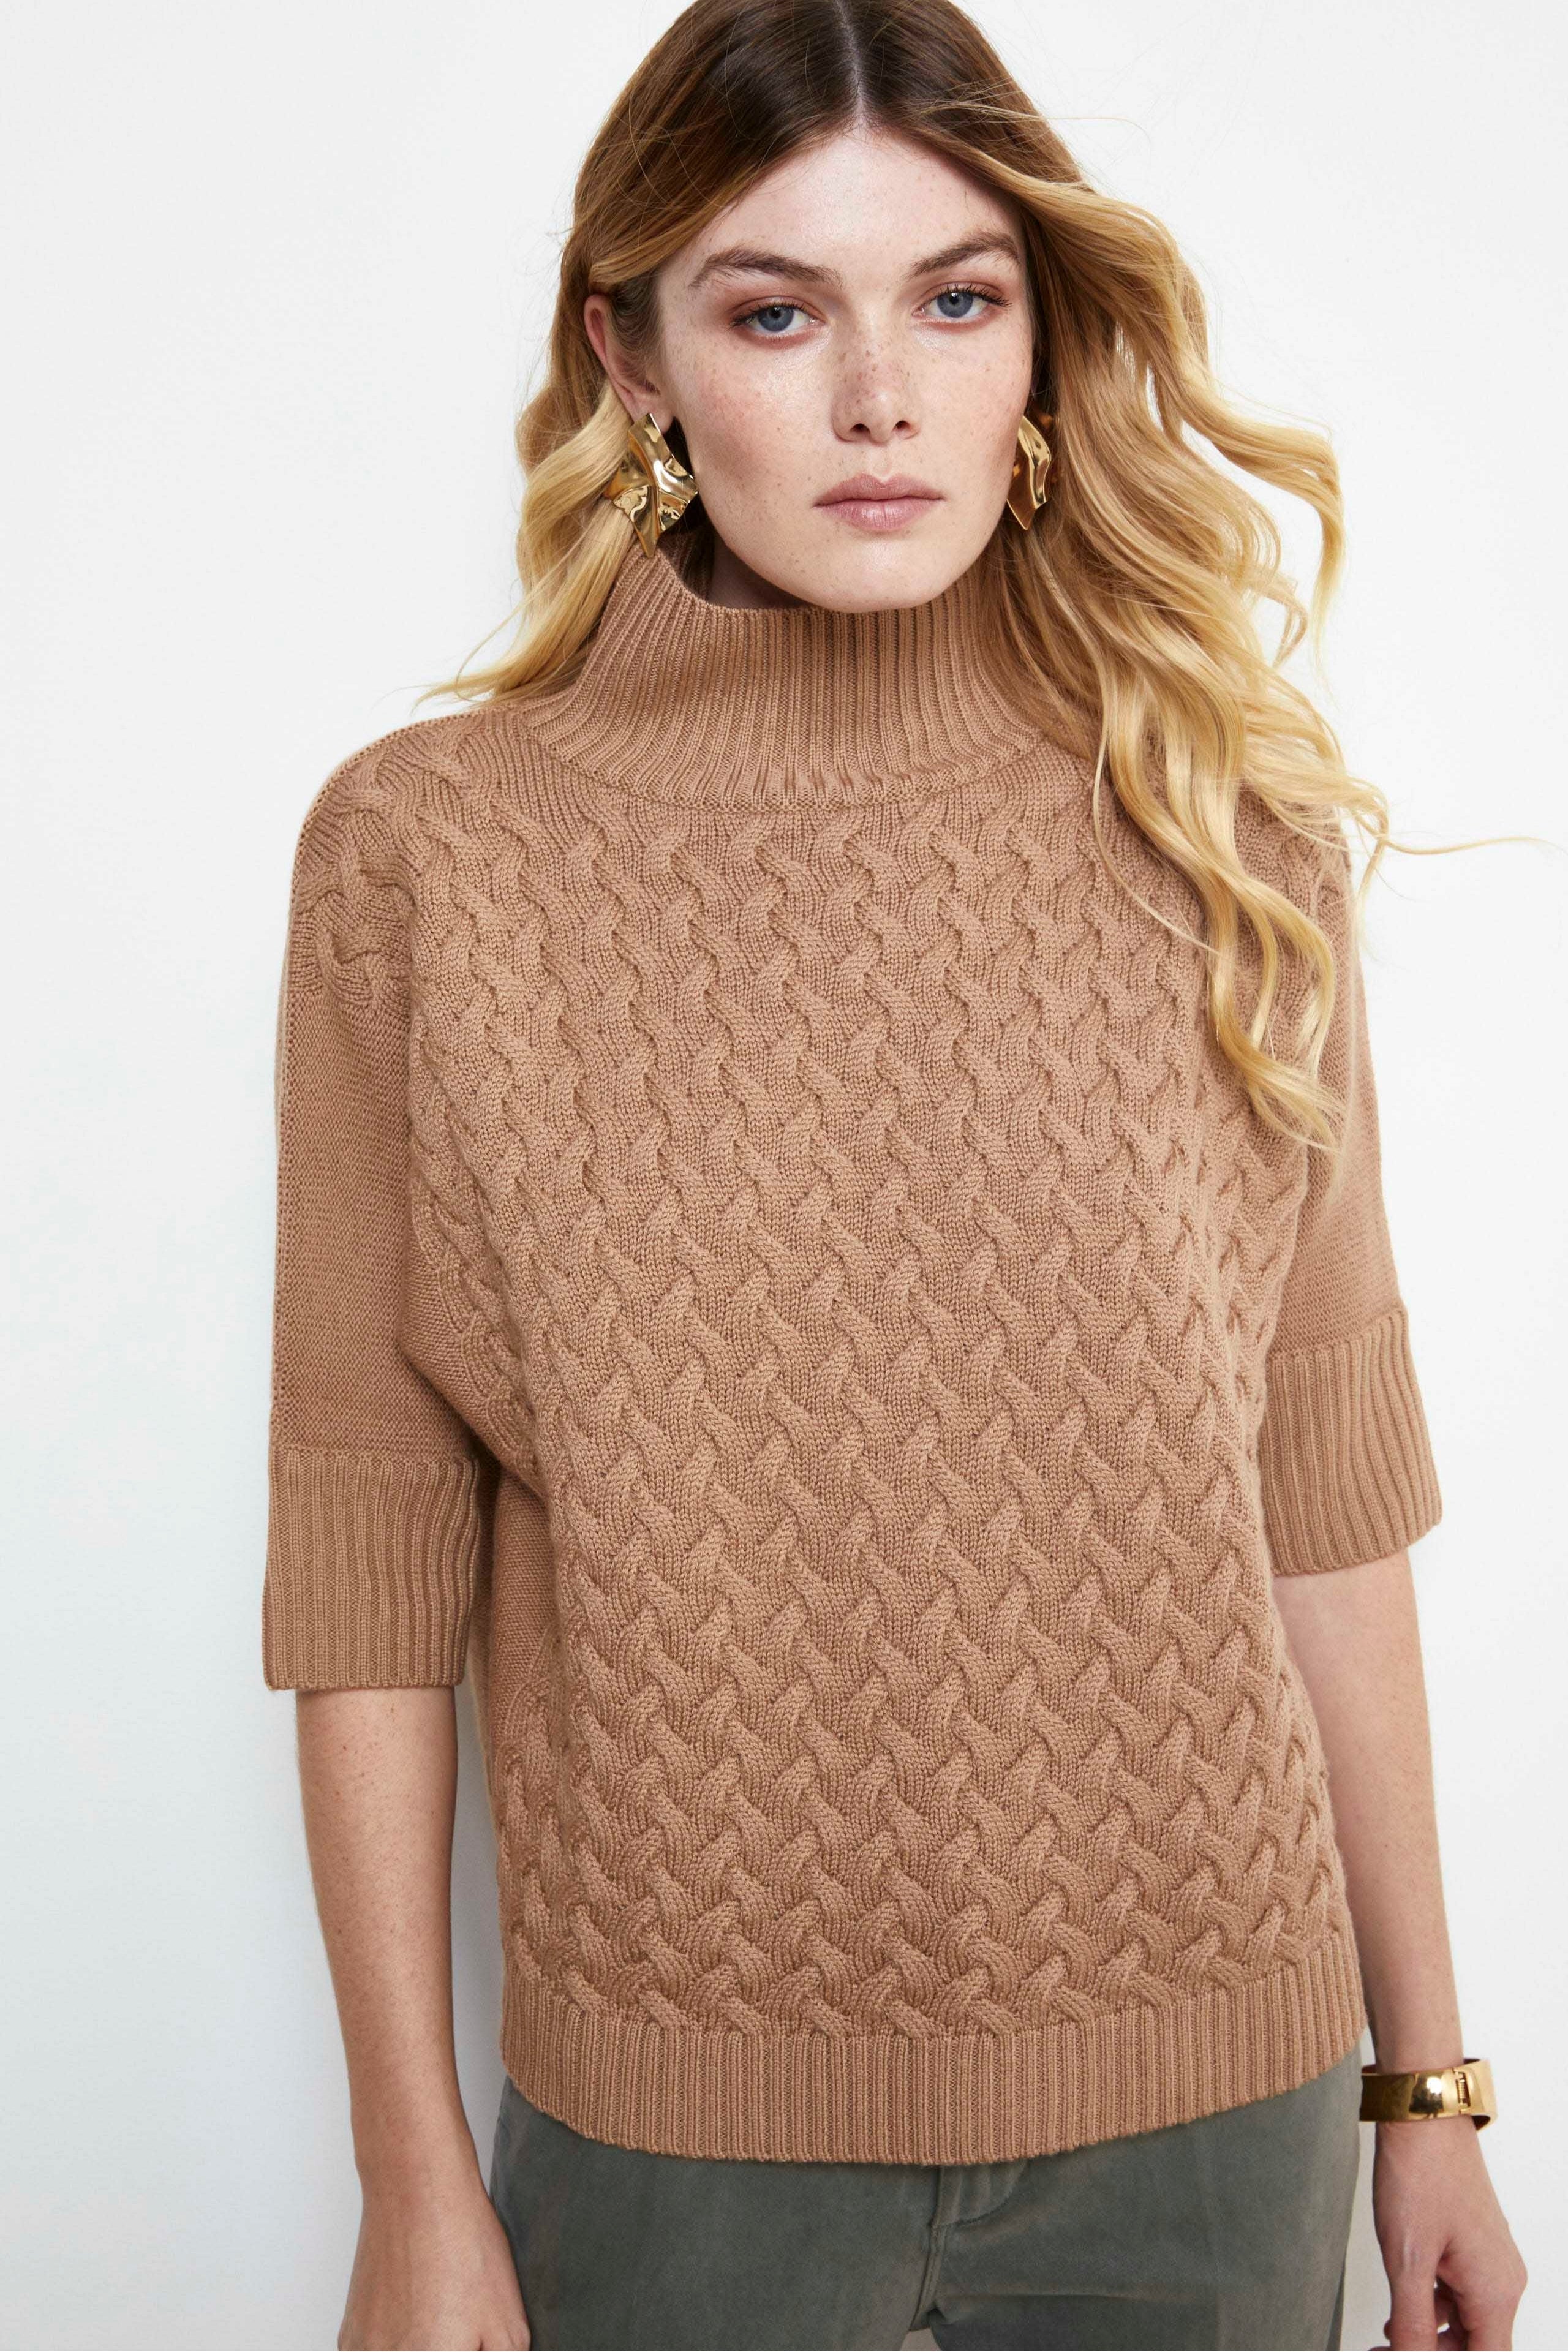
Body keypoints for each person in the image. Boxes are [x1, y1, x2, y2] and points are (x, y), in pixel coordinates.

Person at [260, 2, 1529, 2346]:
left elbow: (1326, 1494)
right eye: (775, 313)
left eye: (955, 298)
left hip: (1218, 2126)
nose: (880, 397)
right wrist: (411, 2177)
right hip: (671, 2152)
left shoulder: (1219, 823)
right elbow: (367, 1551)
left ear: (1040, 338)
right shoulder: (427, 863)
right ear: (632, 357)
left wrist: (1428, 2088)